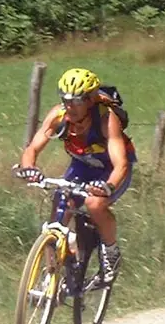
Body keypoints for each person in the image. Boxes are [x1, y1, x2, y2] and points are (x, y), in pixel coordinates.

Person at [13, 68, 137, 284]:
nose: (70, 106)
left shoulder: (107, 119)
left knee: (94, 203)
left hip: (110, 170)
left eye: (76, 101)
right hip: (82, 167)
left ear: (90, 101)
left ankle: (111, 252)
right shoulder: (58, 116)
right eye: (65, 100)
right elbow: (32, 148)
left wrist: (108, 186)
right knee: (59, 209)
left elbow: (121, 164)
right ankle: (52, 278)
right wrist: (29, 168)